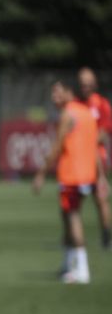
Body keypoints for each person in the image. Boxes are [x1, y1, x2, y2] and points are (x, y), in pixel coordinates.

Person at [33, 80, 99, 284]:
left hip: (73, 175)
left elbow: (57, 147)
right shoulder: (85, 112)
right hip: (87, 174)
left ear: (69, 92)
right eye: (53, 94)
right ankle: (68, 264)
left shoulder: (68, 114)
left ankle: (82, 269)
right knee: (67, 216)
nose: (54, 98)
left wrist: (41, 173)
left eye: (57, 93)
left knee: (73, 218)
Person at [77, 67, 112, 249]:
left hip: (97, 157)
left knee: (100, 198)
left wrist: (87, 138)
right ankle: (74, 238)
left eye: (88, 84)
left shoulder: (102, 104)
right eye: (82, 84)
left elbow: (105, 132)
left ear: (95, 85)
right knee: (74, 199)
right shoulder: (76, 104)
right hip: (79, 158)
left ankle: (106, 236)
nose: (85, 87)